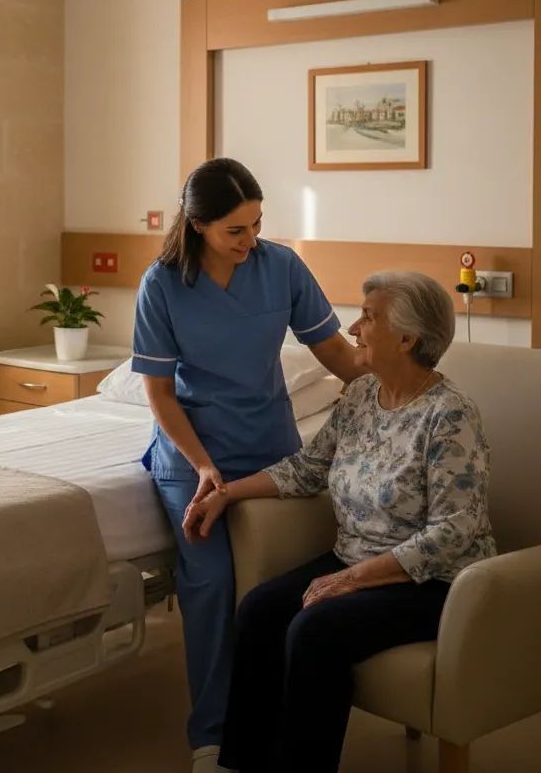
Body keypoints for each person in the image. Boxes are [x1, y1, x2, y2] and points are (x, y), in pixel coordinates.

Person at [184, 270, 496, 773]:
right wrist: (224, 493)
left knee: (315, 629)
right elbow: (309, 468)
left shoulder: (450, 415)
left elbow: (454, 529)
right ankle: (242, 763)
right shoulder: (359, 397)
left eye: (368, 317)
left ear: (407, 338)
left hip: (431, 581)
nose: (354, 329)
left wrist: (352, 579)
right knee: (261, 608)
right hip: (355, 558)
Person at [131, 158, 362, 772]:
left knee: (274, 582)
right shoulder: (163, 285)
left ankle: (277, 714)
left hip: (270, 445)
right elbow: (158, 394)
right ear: (199, 225)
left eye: (257, 224)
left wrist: (399, 382)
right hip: (194, 452)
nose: (250, 240)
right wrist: (204, 467)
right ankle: (212, 735)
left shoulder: (280, 267)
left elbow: (335, 351)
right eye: (236, 231)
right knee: (208, 585)